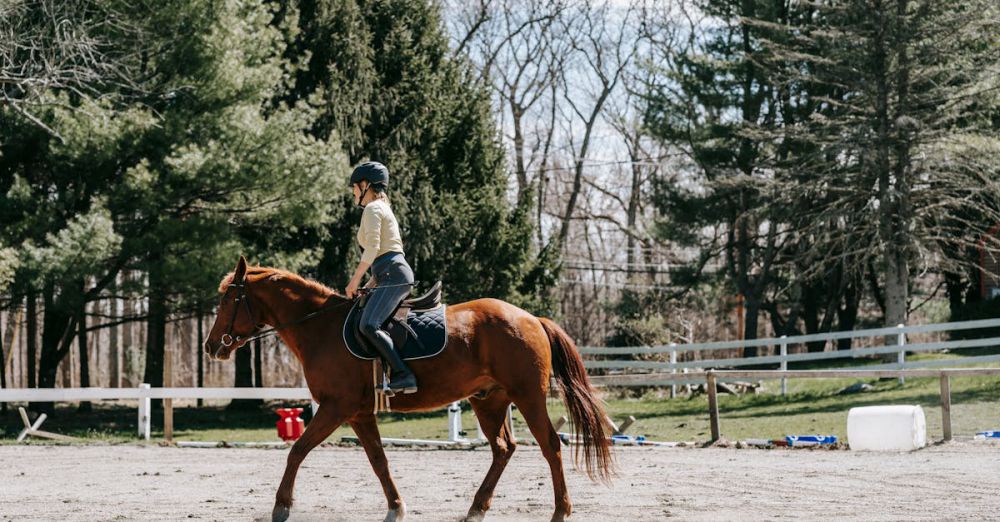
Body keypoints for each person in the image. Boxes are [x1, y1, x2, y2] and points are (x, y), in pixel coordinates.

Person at [345, 161, 418, 394]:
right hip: (389, 272)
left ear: (365, 185)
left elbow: (374, 248)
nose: (354, 192)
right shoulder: (382, 208)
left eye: (355, 187)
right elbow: (383, 255)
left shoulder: (373, 208)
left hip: (393, 273)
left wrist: (355, 280)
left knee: (369, 324)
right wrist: (369, 284)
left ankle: (403, 374)